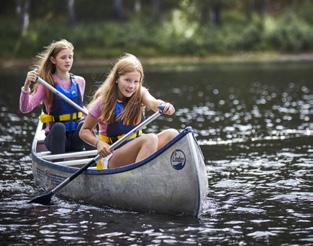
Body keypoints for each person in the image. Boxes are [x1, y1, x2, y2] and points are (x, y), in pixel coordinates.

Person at [79, 53, 178, 169]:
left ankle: (163, 172)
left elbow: (153, 103)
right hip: (112, 156)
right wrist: (98, 143)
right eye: (127, 80)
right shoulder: (103, 101)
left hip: (138, 150)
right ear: (116, 79)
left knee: (173, 134)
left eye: (136, 82)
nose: (132, 86)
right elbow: (84, 131)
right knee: (150, 138)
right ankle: (139, 178)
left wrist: (164, 105)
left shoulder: (140, 93)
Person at [19, 39, 86, 154]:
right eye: (63, 57)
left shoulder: (80, 82)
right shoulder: (46, 84)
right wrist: (26, 86)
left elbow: (80, 109)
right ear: (53, 60)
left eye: (70, 57)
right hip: (56, 138)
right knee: (59, 127)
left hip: (75, 138)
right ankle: (60, 164)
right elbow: (25, 108)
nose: (68, 61)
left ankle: (99, 164)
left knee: (84, 126)